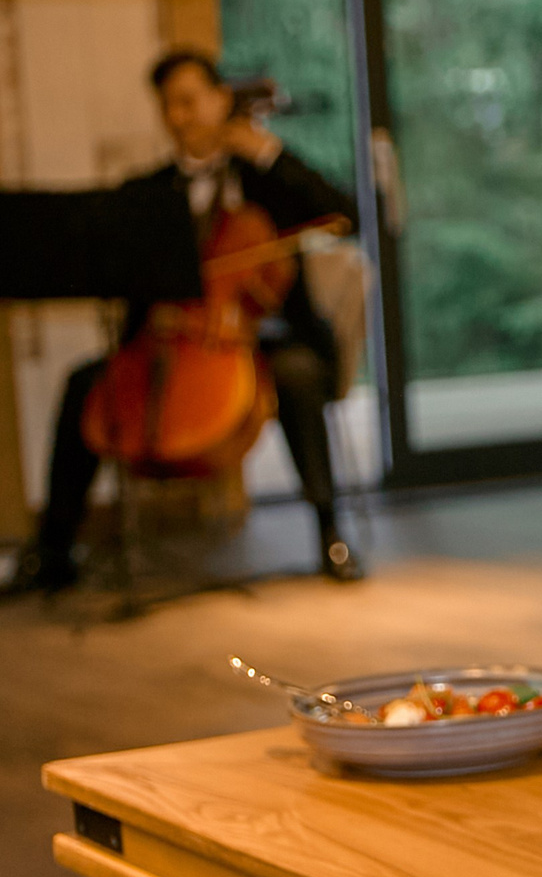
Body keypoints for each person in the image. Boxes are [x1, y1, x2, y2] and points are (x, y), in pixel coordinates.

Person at [6, 49, 362, 595]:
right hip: (168, 341)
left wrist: (269, 153)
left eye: (189, 102)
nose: (178, 116)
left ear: (221, 100)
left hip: (261, 337)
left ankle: (330, 533)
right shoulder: (148, 193)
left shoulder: (267, 179)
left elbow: (346, 214)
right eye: (168, 106)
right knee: (83, 385)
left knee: (296, 374)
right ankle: (54, 550)